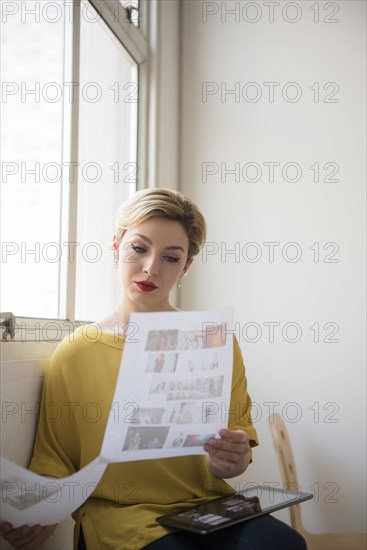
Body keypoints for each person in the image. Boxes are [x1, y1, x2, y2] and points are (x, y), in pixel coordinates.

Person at [0, 188, 306, 550]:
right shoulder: (77, 352)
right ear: (116, 247)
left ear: (186, 267)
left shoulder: (215, 343)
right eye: (139, 248)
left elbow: (236, 449)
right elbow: (56, 458)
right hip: (120, 517)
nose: (151, 268)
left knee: (285, 545)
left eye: (171, 257)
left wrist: (231, 462)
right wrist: (38, 514)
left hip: (209, 509)